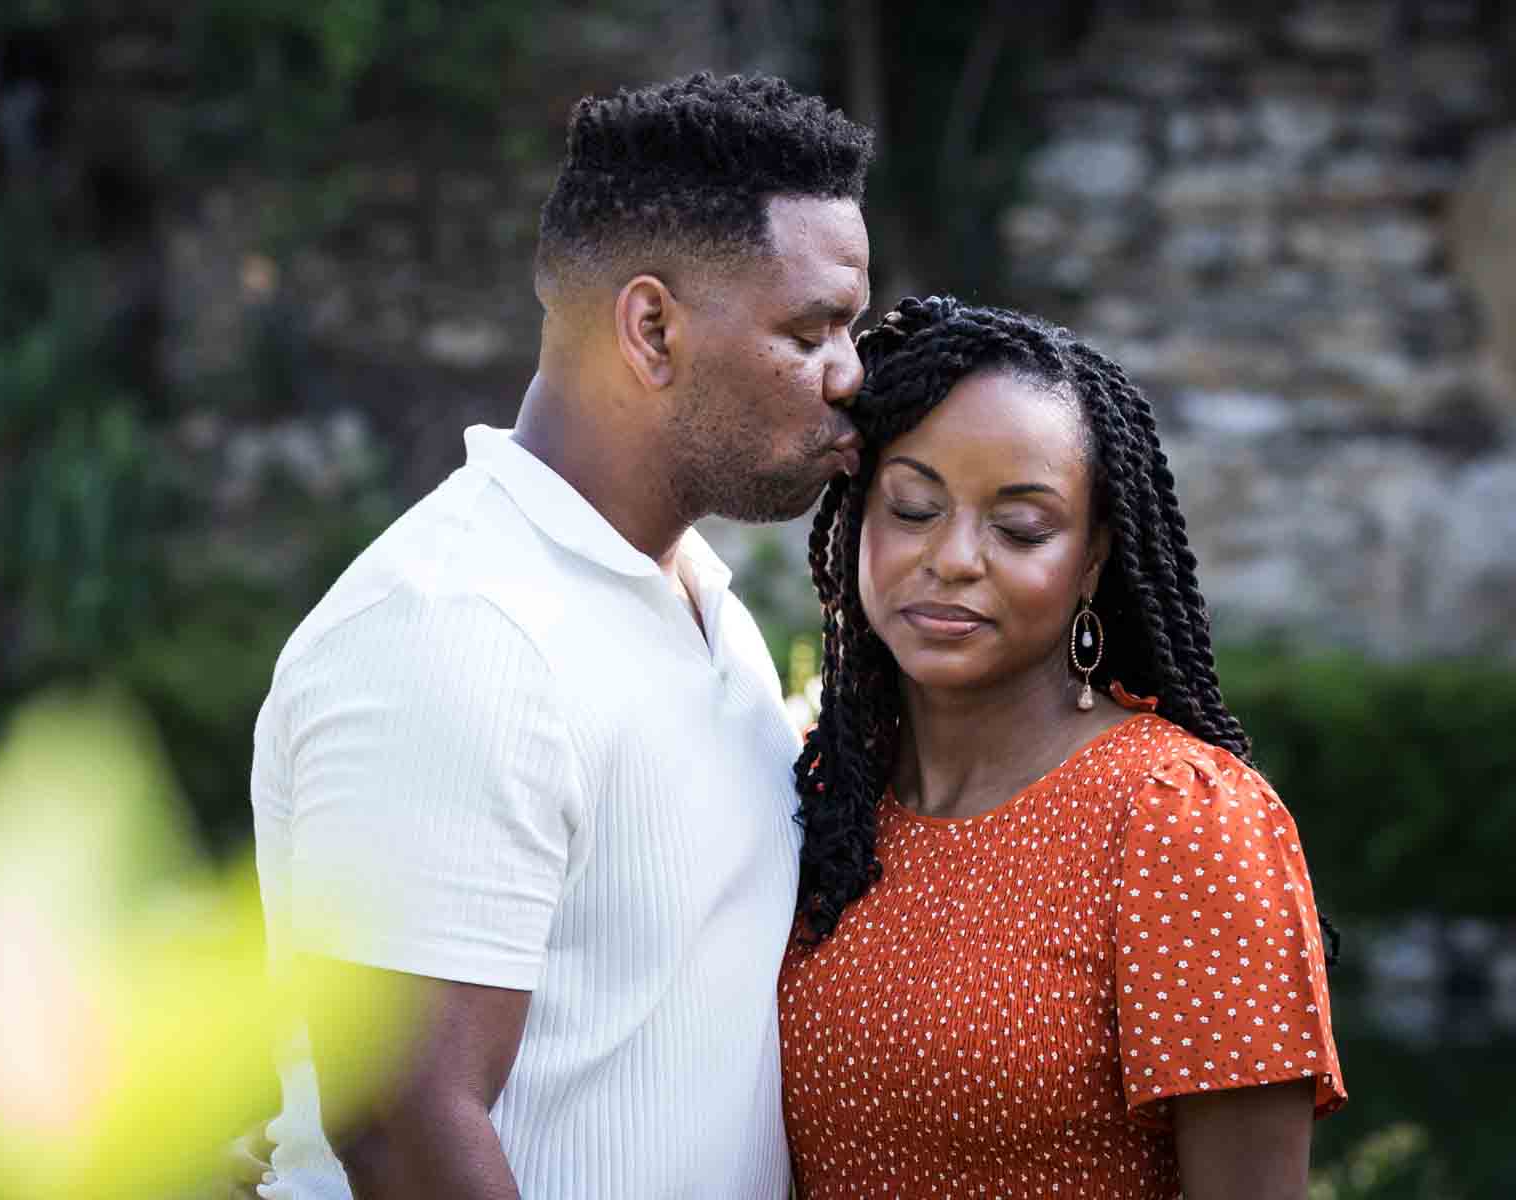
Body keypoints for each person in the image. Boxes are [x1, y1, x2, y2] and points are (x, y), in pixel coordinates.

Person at [248, 72, 874, 1199]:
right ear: (650, 328)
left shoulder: (683, 591)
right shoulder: (457, 630)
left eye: (852, 327)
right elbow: (401, 1121)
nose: (851, 376)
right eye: (811, 330)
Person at [779, 296, 1346, 1199]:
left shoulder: (1182, 818)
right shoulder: (828, 794)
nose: (955, 557)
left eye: (1021, 528)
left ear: (1091, 557)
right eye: (913, 507)